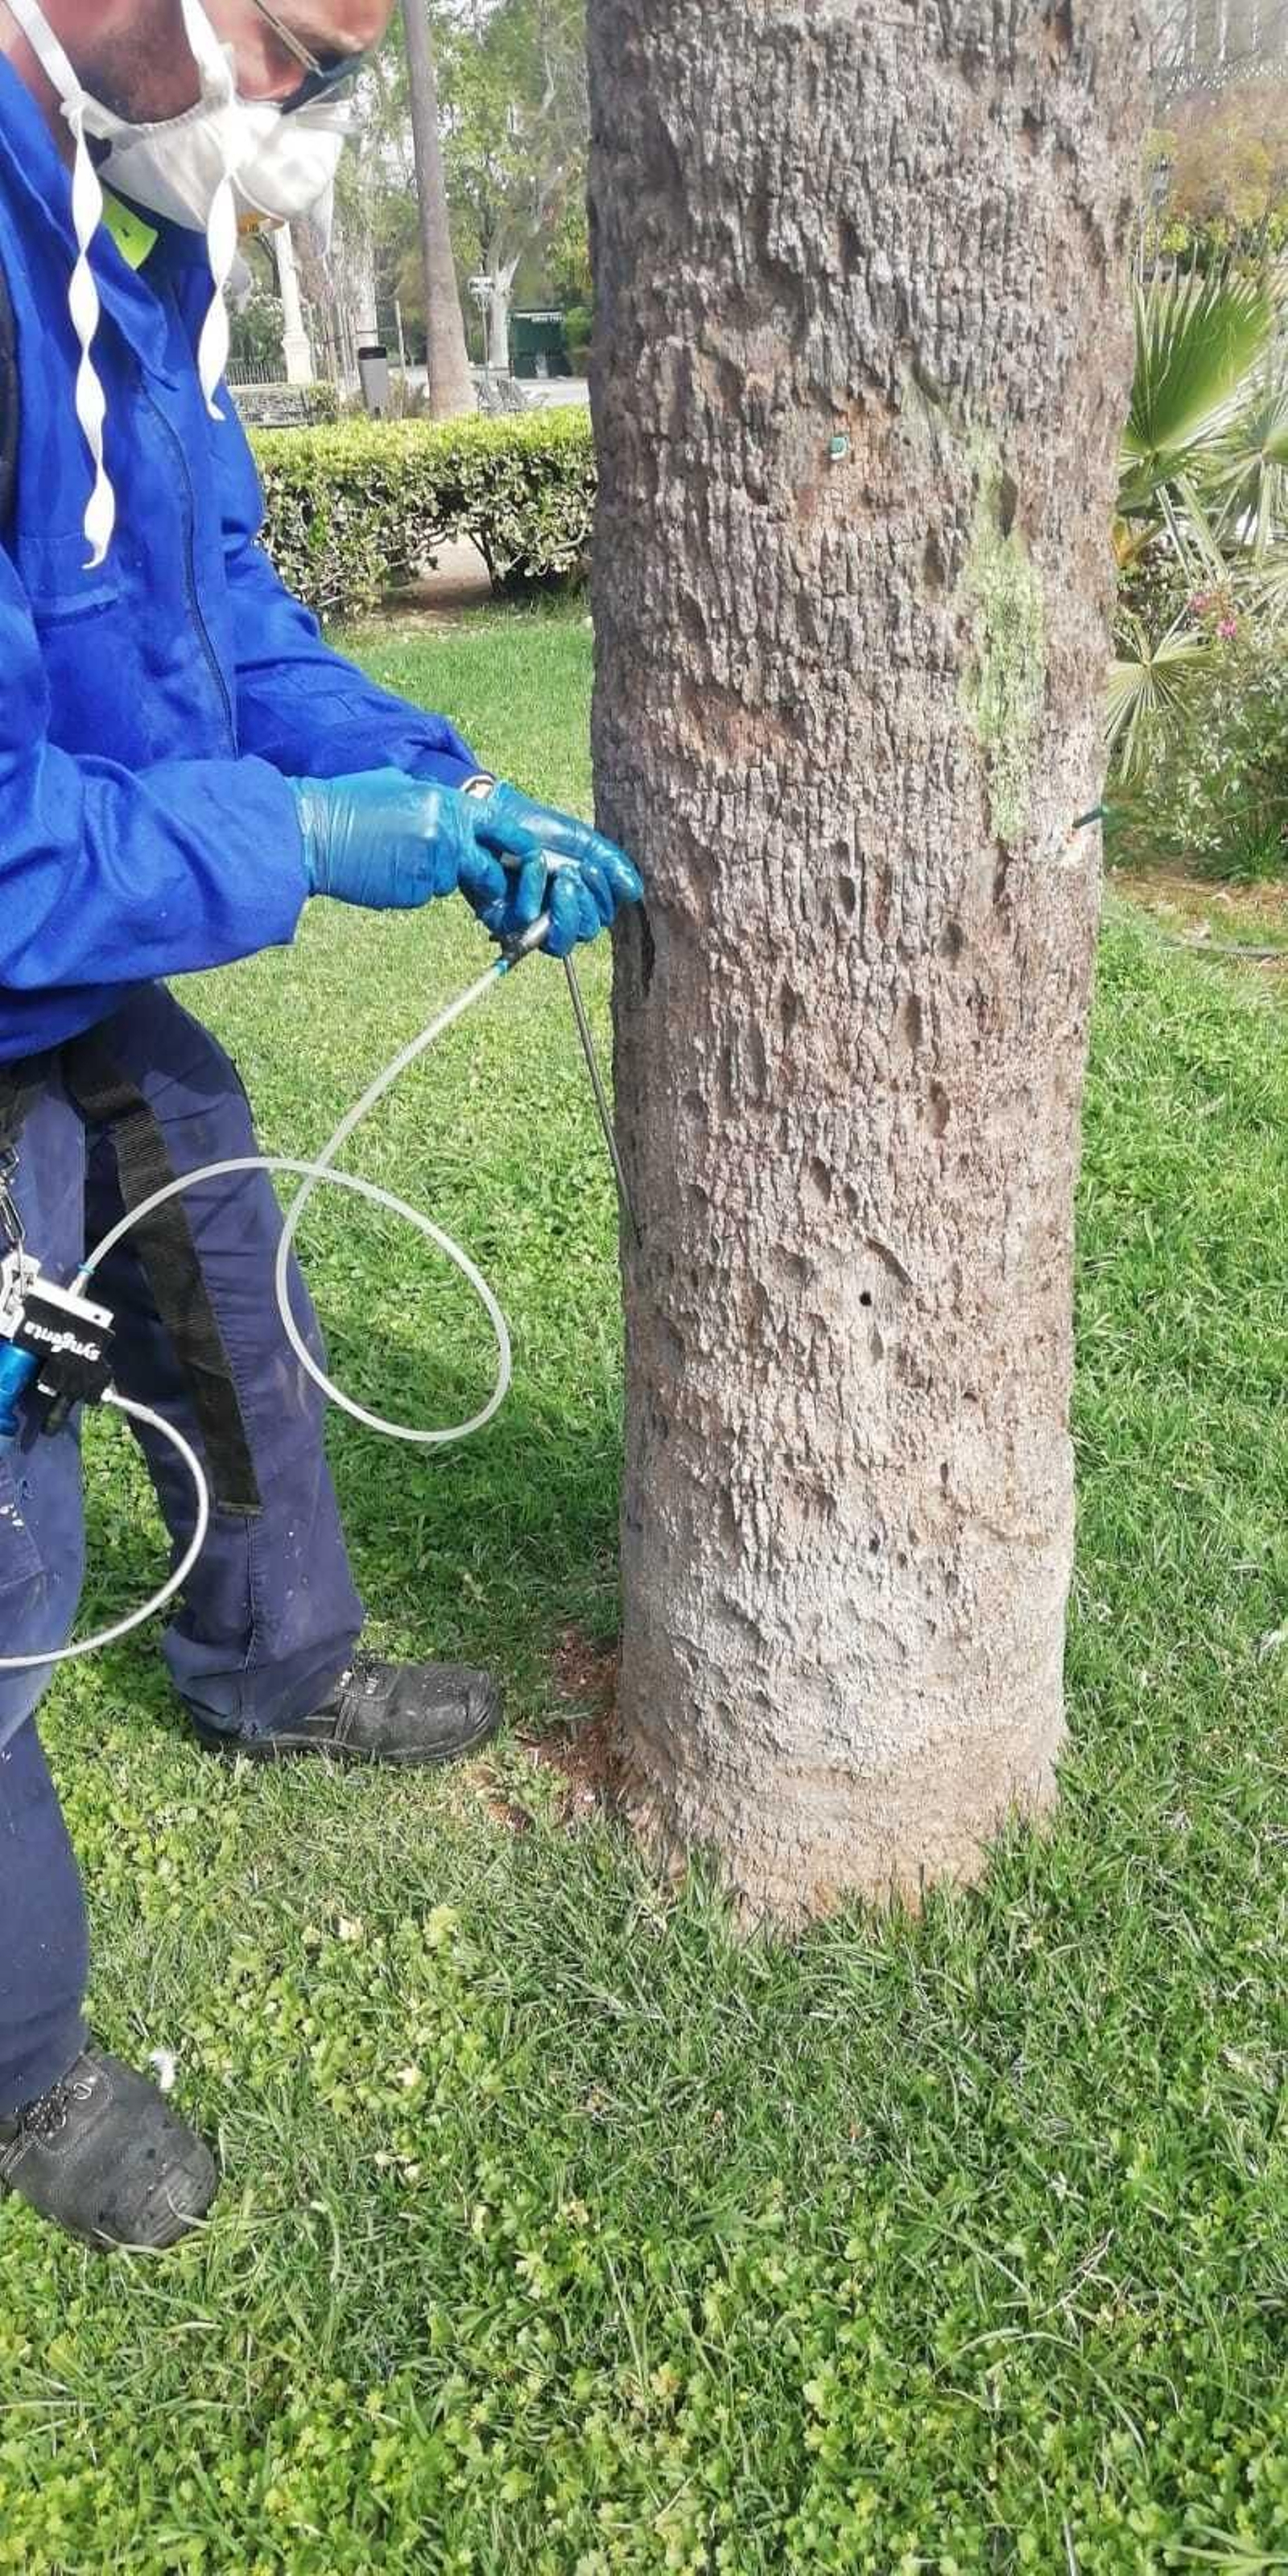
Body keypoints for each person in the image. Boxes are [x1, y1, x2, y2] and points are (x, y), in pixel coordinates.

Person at [0, 0, 642, 2252]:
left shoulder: (126, 230)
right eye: (288, 44)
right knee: (2, 1542)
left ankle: (274, 1669)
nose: (308, 116)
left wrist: (437, 786)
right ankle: (25, 2069)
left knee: (211, 1251)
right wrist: (297, 842)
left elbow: (212, 622)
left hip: (67, 960)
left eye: (348, 66)